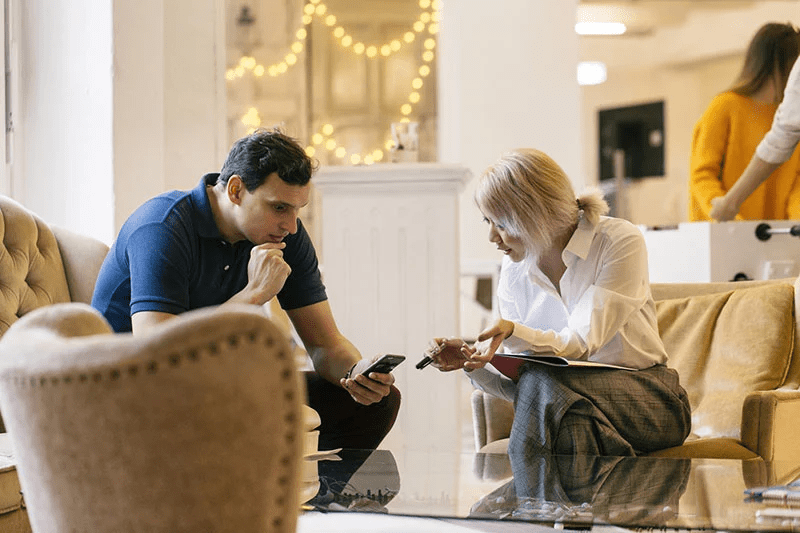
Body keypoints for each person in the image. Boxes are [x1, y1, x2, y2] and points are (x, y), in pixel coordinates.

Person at [92, 127, 401, 452]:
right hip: (136, 386)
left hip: (214, 380)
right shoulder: (163, 227)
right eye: (279, 207)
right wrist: (253, 294)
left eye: (298, 209)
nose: (292, 225)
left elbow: (326, 347)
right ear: (236, 190)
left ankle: (314, 498)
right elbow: (158, 354)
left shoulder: (283, 236)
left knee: (376, 403)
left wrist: (356, 373)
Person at [423, 148, 691, 456]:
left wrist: (515, 332)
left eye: (501, 224)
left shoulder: (618, 241)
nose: (492, 238)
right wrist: (472, 363)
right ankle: (560, 502)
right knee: (570, 421)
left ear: (534, 214)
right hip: (570, 405)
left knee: (545, 382)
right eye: (487, 221)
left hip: (650, 400)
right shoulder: (513, 270)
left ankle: (523, 502)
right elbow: (522, 391)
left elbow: (581, 342)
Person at [689, 22, 800, 221]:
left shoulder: (792, 116)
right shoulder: (724, 106)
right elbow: (702, 174)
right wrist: (729, 215)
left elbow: (797, 184)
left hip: (772, 235)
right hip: (723, 232)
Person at [711, 55, 800, 221]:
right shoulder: (725, 105)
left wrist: (730, 203)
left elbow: (782, 139)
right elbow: (703, 174)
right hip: (737, 229)